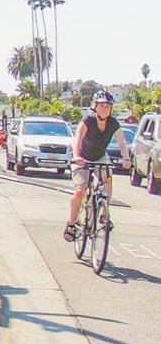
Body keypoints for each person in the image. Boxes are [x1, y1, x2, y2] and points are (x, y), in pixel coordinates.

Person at [65, 91, 122, 241]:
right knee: (80, 191)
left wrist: (127, 158)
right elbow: (77, 138)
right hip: (82, 157)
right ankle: (71, 224)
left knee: (107, 178)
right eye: (102, 105)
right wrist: (76, 156)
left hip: (100, 156)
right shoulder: (87, 120)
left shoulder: (113, 123)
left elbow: (122, 143)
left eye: (108, 106)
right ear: (94, 106)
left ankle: (104, 214)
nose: (105, 108)